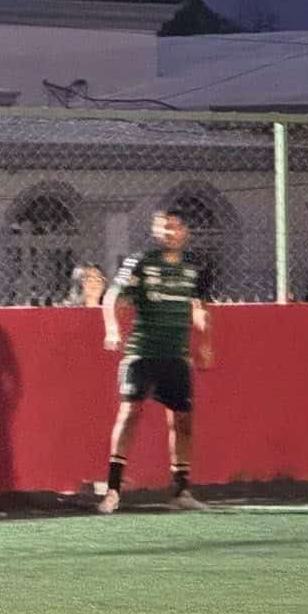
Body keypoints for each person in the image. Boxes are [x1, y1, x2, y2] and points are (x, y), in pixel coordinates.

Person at [98, 209, 214, 513]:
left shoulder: (195, 266)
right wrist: (112, 328)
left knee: (183, 421)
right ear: (155, 231)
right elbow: (112, 297)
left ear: (185, 231)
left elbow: (199, 306)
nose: (170, 233)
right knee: (129, 415)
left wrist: (204, 341)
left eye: (175, 227)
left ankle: (181, 491)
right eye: (164, 228)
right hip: (142, 353)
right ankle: (112, 490)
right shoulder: (141, 263)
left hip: (176, 357)